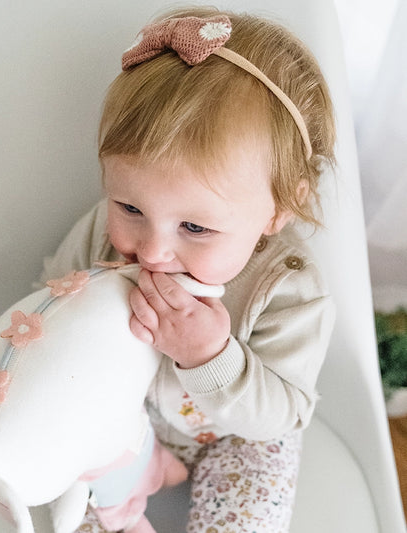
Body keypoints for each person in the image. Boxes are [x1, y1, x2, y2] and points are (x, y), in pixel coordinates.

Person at [39, 6, 336, 532]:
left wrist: (209, 356)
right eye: (130, 208)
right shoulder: (99, 234)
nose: (151, 252)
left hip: (238, 437)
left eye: (195, 228)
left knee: (253, 507)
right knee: (66, 497)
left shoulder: (289, 289)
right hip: (121, 415)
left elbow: (282, 413)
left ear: (278, 209)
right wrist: (77, 309)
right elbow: (49, 306)